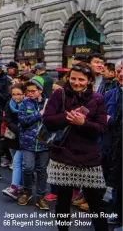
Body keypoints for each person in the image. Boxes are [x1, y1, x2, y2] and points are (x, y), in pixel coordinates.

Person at [43, 62, 108, 231]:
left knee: (96, 204)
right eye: (73, 78)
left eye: (81, 79)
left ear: (89, 81)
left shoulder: (98, 99)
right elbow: (48, 121)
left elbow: (101, 129)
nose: (76, 82)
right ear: (68, 78)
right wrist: (67, 117)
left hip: (89, 159)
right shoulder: (59, 94)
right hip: (62, 156)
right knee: (63, 203)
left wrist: (83, 123)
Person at [17, 76, 49, 210]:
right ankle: (27, 191)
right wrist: (40, 114)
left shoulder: (49, 103)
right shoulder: (24, 103)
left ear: (40, 90)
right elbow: (22, 120)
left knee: (42, 170)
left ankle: (41, 197)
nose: (29, 93)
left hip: (44, 142)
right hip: (28, 142)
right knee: (28, 168)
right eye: (28, 91)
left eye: (33, 91)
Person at [104, 61, 122, 227]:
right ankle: (118, 213)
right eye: (119, 70)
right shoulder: (110, 93)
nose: (121, 73)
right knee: (117, 181)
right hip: (114, 144)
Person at [2, 84, 25, 200]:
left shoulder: (27, 104)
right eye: (14, 94)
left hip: (25, 137)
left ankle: (16, 186)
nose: (16, 97)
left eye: (19, 94)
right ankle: (19, 184)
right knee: (15, 160)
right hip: (13, 136)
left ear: (23, 94)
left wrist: (21, 130)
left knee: (17, 162)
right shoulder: (9, 104)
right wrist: (16, 129)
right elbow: (7, 119)